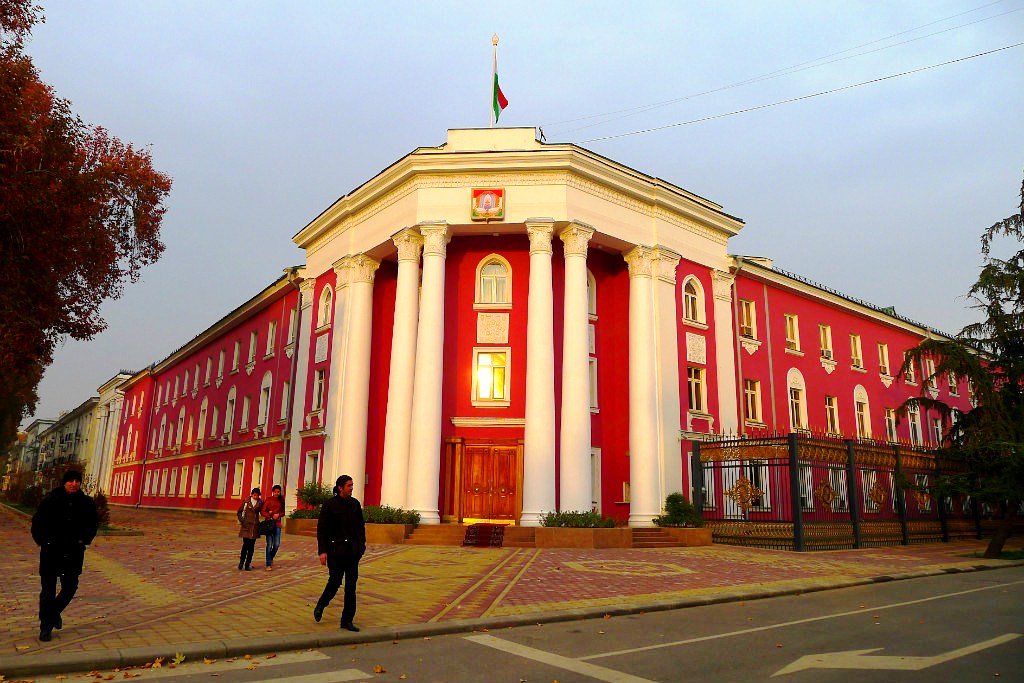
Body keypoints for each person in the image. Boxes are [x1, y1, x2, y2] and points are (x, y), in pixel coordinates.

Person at [31, 469, 99, 642]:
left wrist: (84, 539)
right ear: (64, 482)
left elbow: (93, 524)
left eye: (77, 481)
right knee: (48, 591)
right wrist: (43, 540)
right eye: (70, 480)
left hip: (73, 552)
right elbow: (37, 523)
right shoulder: (50, 500)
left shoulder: (86, 503)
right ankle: (45, 628)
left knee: (70, 587)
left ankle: (53, 613)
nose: (74, 484)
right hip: (51, 551)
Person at [314, 475, 366, 631]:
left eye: (352, 485)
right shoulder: (330, 505)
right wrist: (322, 551)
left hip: (352, 553)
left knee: (351, 587)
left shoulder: (355, 504)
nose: (351, 488)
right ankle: (321, 604)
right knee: (335, 582)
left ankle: (347, 620)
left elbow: (361, 527)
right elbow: (322, 530)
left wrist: (361, 546)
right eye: (349, 485)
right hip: (335, 552)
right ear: (340, 487)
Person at [237, 487, 263, 571]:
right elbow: (239, 512)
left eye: (257, 495)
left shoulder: (260, 502)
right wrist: (242, 520)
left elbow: (263, 511)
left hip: (254, 527)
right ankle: (241, 562)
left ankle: (247, 564)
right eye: (254, 495)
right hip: (246, 526)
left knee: (251, 547)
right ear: (251, 494)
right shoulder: (246, 501)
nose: (255, 497)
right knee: (245, 545)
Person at [261, 484, 285, 570]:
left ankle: (271, 557)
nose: (277, 493)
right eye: (275, 492)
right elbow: (262, 511)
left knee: (276, 544)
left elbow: (283, 512)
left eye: (278, 492)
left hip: (277, 524)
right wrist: (269, 515)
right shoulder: (268, 500)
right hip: (269, 524)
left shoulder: (281, 500)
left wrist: (278, 515)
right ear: (273, 492)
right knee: (269, 544)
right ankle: (268, 564)